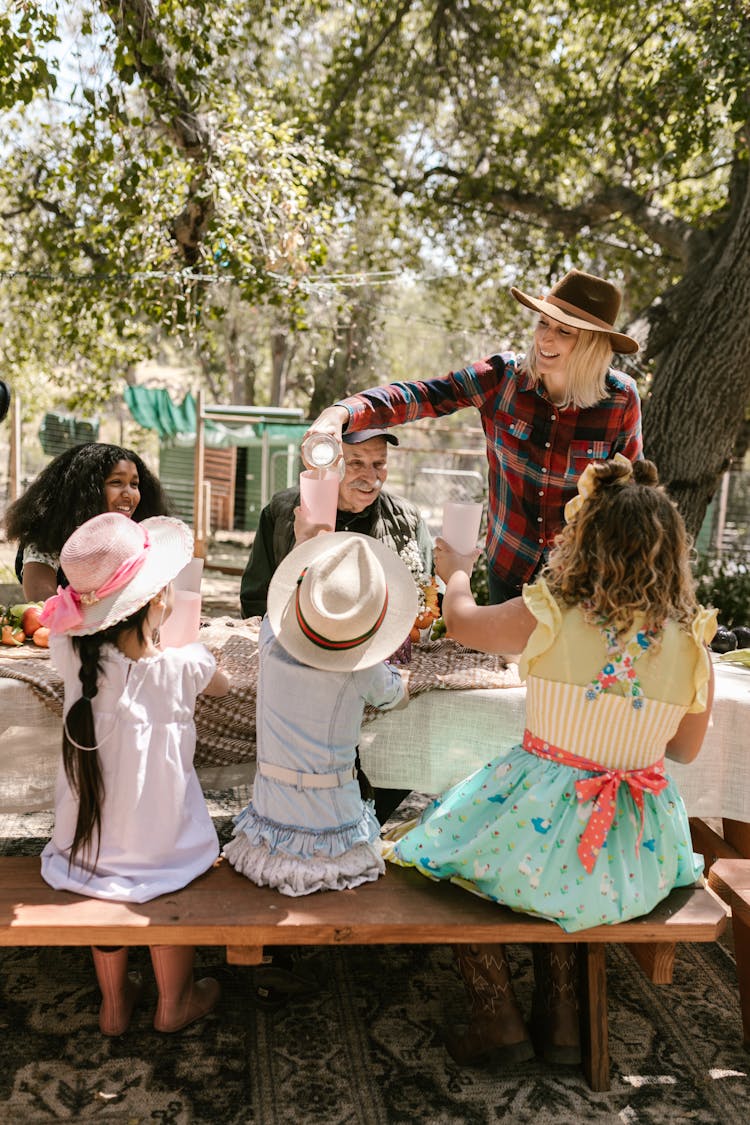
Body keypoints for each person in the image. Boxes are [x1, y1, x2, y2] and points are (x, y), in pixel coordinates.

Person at [384, 456, 716, 1068]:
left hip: (541, 824)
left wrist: (456, 569)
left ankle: (496, 1015)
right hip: (635, 855)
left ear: (583, 541)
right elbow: (684, 751)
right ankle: (562, 1020)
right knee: (552, 870)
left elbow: (459, 622)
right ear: (671, 551)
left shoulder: (550, 612)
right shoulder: (693, 640)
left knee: (436, 849)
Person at [305, 269, 643, 604]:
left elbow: (631, 497)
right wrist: (343, 412)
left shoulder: (621, 399)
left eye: (563, 331)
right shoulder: (501, 377)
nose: (545, 339)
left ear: (591, 345)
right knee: (505, 660)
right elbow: (422, 395)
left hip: (581, 576)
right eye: (543, 323)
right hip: (511, 568)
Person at [38, 511, 230, 1037]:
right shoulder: (184, 665)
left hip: (84, 851)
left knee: (112, 883)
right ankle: (175, 1002)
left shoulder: (70, 654)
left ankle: (114, 1004)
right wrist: (184, 644)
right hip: (167, 850)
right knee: (167, 882)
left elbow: (70, 630)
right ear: (156, 602)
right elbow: (227, 684)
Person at [224, 531, 416, 898]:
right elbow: (396, 696)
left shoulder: (269, 633)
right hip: (333, 831)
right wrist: (397, 674)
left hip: (270, 824)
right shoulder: (362, 665)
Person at [239, 428, 432, 619]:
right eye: (356, 463)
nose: (372, 478)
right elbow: (255, 599)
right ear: (328, 462)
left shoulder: (407, 518)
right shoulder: (282, 511)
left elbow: (428, 597)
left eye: (379, 463)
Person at [5, 442, 171, 601]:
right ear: (86, 491)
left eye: (134, 484)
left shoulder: (133, 540)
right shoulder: (46, 539)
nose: (129, 494)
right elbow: (43, 602)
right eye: (116, 482)